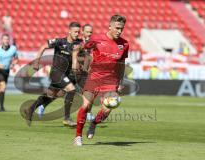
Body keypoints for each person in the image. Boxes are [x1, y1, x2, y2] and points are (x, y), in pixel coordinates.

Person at [74, 15, 129, 146]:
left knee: (108, 109)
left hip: (110, 81)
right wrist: (76, 63)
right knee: (85, 105)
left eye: (121, 29)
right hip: (94, 77)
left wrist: (120, 82)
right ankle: (78, 136)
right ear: (110, 26)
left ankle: (94, 123)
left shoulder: (124, 44)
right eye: (117, 28)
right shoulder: (97, 39)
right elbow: (79, 49)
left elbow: (121, 64)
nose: (119, 31)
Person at [22, 22, 82, 126]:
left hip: (65, 74)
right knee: (71, 89)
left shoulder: (78, 44)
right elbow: (43, 47)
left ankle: (30, 109)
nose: (77, 34)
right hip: (56, 73)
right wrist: (37, 61)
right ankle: (67, 118)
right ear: (69, 31)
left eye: (78, 32)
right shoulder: (59, 41)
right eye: (75, 32)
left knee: (52, 95)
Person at [0, 34, 18, 112]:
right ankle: (1, 108)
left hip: (6, 71)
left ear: (9, 40)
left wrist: (13, 64)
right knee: (3, 86)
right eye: (5, 39)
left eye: (7, 39)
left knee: (2, 89)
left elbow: (16, 59)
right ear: (2, 40)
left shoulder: (13, 48)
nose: (6, 41)